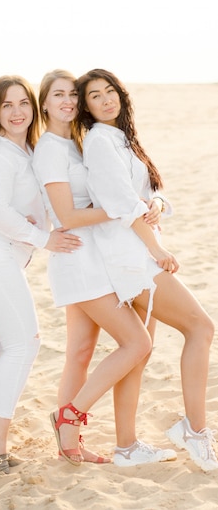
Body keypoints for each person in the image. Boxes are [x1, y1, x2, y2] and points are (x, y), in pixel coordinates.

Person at [75, 68, 217, 472]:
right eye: (95, 97)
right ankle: (195, 429)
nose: (106, 100)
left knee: (140, 354)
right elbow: (121, 204)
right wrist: (157, 248)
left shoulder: (121, 138)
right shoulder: (100, 142)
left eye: (110, 92)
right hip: (132, 258)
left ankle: (126, 446)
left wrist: (158, 204)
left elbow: (147, 192)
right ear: (85, 108)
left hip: (136, 251)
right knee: (201, 328)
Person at [33, 70, 176, 467]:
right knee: (137, 343)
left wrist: (137, 202)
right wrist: (121, 207)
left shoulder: (75, 144)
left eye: (72, 95)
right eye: (58, 95)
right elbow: (65, 214)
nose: (68, 101)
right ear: (43, 103)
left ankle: (69, 441)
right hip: (79, 259)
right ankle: (70, 416)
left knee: (80, 352)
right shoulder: (50, 149)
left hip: (91, 255)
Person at [0, 75, 81, 474]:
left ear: (33, 106)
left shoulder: (23, 149)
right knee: (25, 343)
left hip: (0, 259)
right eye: (6, 104)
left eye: (22, 103)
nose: (16, 112)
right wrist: (41, 237)